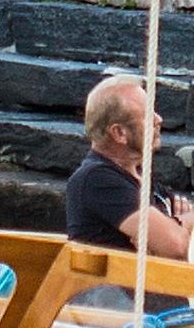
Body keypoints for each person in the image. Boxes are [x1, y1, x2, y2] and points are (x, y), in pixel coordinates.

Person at [62, 73, 184, 261]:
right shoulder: (96, 179)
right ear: (119, 133)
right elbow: (177, 245)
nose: (158, 119)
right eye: (147, 115)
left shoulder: (139, 175)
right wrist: (175, 225)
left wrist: (170, 225)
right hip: (115, 289)